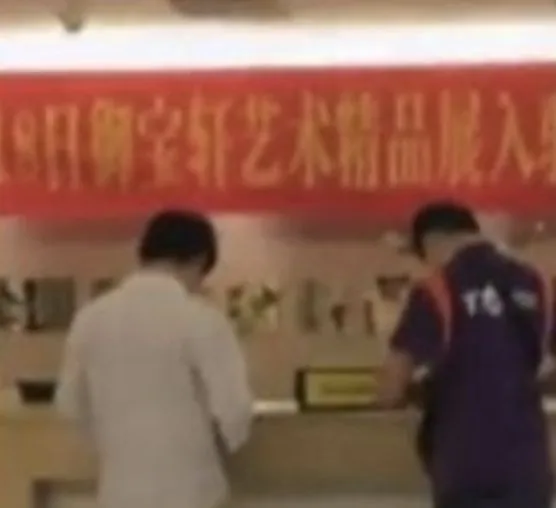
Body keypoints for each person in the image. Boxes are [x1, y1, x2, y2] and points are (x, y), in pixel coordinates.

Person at [56, 210, 253, 508]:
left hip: (118, 491)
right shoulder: (201, 318)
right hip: (192, 491)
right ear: (200, 259)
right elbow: (235, 409)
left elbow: (70, 403)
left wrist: (113, 447)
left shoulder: (90, 318)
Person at [377, 201, 555, 508]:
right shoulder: (536, 284)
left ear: (431, 241)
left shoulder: (436, 289)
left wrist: (417, 392)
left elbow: (390, 388)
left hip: (464, 466)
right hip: (528, 467)